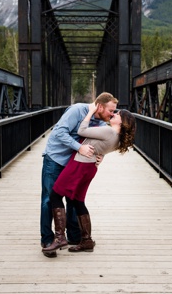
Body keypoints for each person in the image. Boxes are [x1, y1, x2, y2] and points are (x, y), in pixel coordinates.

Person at [42, 103, 136, 254]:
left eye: (116, 114)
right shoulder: (117, 138)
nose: (113, 115)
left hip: (79, 165)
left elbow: (81, 130)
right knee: (78, 201)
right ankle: (86, 240)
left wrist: (90, 112)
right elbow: (101, 148)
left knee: (55, 195)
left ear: (122, 121)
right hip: (90, 167)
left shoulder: (108, 131)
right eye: (113, 112)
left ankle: (60, 238)